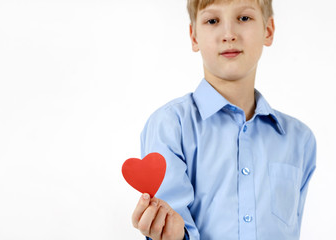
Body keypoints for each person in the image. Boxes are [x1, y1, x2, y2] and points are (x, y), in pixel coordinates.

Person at [131, 0, 317, 239]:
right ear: (194, 36)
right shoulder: (170, 126)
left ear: (268, 30)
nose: (229, 34)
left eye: (244, 18)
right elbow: (172, 228)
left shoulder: (300, 140)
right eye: (212, 21)